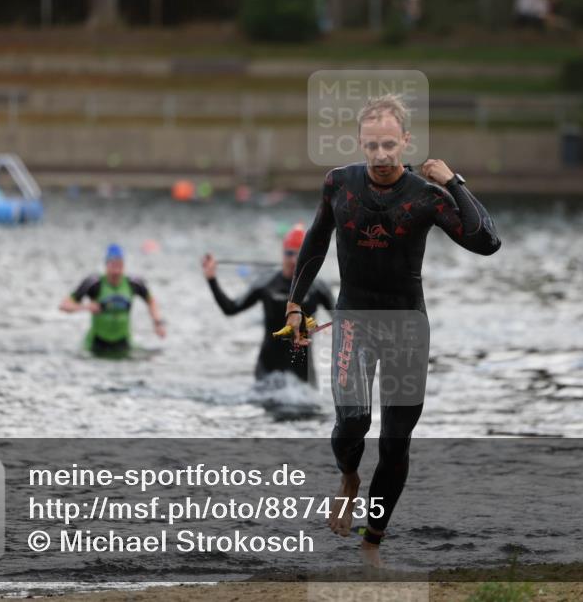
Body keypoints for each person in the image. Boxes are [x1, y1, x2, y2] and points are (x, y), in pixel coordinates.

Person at [282, 94, 500, 567]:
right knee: (353, 423)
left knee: (395, 441)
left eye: (389, 145)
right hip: (355, 321)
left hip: (406, 327)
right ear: (360, 144)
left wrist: (455, 182)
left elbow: (487, 242)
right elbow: (317, 241)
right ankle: (348, 476)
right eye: (371, 146)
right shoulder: (339, 184)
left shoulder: (426, 196)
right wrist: (296, 304)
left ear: (405, 142)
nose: (380, 156)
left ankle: (371, 544)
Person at [202, 225, 334, 385]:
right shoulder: (267, 283)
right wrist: (211, 279)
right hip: (268, 370)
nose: (293, 260)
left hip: (303, 375)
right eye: (289, 253)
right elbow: (230, 308)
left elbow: (343, 321)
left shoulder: (318, 287)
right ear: (282, 254)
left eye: (299, 254)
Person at [60, 244, 166, 357]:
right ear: (106, 265)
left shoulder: (134, 283)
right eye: (113, 265)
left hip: (123, 341)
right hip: (96, 343)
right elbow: (64, 305)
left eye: (119, 266)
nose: (116, 271)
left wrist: (157, 323)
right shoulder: (93, 283)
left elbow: (151, 301)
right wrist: (86, 307)